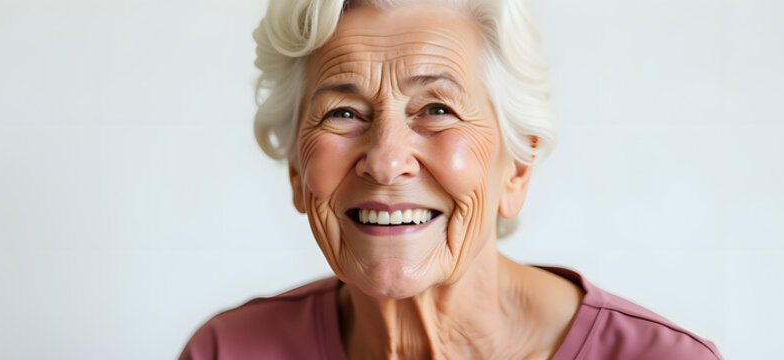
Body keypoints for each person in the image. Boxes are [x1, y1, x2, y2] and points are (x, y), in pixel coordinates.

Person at [182, 0, 723, 358]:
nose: (386, 161)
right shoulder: (228, 351)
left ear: (517, 166)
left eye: (437, 108)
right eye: (343, 113)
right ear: (299, 172)